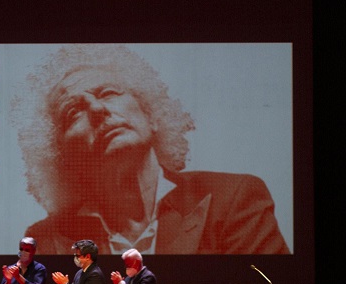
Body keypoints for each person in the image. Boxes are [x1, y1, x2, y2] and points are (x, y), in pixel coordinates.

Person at [16, 44, 290, 255]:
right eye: (74, 111)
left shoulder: (232, 199)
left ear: (151, 115)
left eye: (108, 93)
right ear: (62, 156)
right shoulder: (46, 239)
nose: (97, 109)